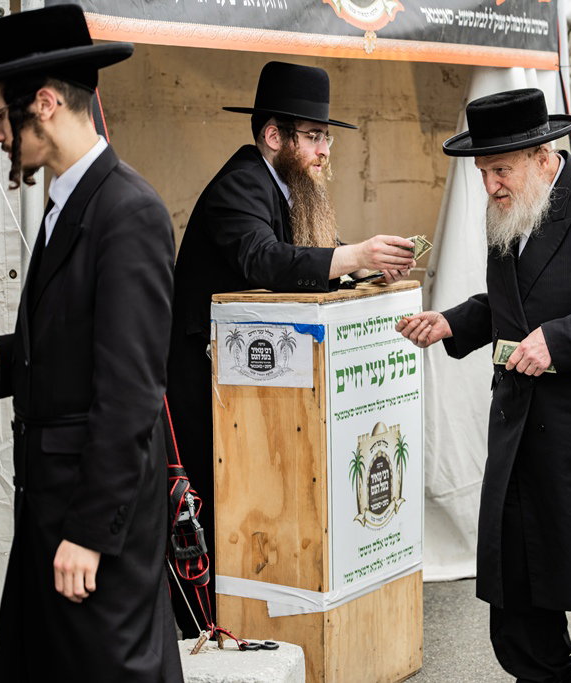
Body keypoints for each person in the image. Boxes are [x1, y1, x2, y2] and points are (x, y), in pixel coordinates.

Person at [0, 5, 183, 681]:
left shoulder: (127, 211)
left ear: (43, 103)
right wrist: (2, 353)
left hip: (93, 529)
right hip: (52, 515)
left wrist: (88, 534)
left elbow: (131, 392)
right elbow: (80, 336)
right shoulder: (67, 201)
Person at [397, 88, 571, 682]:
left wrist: (560, 340)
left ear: (543, 155)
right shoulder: (511, 210)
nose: (491, 184)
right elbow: (514, 304)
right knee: (518, 605)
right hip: (526, 434)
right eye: (483, 172)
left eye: (501, 169)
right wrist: (454, 321)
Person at [167, 60, 416, 635]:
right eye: (312, 137)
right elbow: (263, 259)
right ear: (273, 136)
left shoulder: (286, 184)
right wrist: (351, 258)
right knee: (213, 513)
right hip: (208, 390)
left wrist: (360, 270)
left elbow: (308, 255)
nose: (324, 151)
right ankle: (204, 632)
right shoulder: (241, 184)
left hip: (251, 386)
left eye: (326, 137)